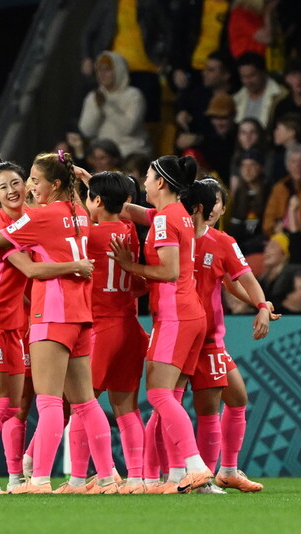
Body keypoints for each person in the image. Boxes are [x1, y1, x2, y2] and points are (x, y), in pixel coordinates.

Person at [0, 150, 119, 495]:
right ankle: (105, 476)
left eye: (28, 180)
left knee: (42, 401)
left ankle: (34, 479)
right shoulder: (79, 213)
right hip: (64, 316)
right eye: (11, 185)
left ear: (52, 184)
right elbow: (18, 261)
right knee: (76, 402)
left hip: (48, 315)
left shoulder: (35, 219)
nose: (23, 187)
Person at [109, 155, 213, 494]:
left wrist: (129, 265)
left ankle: (195, 467)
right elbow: (132, 211)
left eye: (149, 176)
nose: (144, 182)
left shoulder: (167, 221)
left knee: (158, 393)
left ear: (162, 184)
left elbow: (168, 272)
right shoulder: (175, 215)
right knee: (172, 396)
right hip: (189, 314)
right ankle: (175, 474)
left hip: (175, 316)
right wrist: (89, 181)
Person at [66, 171, 149, 494]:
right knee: (127, 408)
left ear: (97, 201)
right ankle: (138, 478)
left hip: (101, 329)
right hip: (130, 327)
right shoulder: (129, 231)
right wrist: (91, 182)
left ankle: (80, 479)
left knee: (82, 406)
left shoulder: (90, 236)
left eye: (90, 198)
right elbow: (115, 208)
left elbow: (70, 226)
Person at [188, 178, 270, 492]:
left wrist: (261, 304)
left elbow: (235, 279)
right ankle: (192, 477)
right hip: (187, 334)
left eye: (221, 201)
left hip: (208, 338)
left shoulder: (222, 241)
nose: (218, 207)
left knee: (236, 398)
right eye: (216, 200)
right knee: (171, 405)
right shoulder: (176, 234)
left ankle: (227, 470)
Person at [78, 51, 152, 158]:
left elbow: (128, 128)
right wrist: (96, 107)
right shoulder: (94, 96)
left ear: (118, 70)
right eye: (99, 70)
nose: (102, 74)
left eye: (107, 69)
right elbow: (87, 131)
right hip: (104, 154)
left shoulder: (134, 95)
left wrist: (105, 106)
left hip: (131, 152)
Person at [231, 51, 287, 129]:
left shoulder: (281, 95)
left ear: (263, 72)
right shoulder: (236, 99)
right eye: (244, 77)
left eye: (252, 76)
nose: (248, 81)